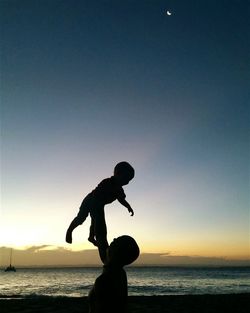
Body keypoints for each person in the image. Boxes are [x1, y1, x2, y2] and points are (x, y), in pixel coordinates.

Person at [66, 162, 135, 259]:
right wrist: (95, 212)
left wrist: (128, 206)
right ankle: (70, 230)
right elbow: (96, 196)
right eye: (126, 179)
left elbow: (121, 199)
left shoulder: (120, 190)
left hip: (99, 205)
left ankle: (92, 239)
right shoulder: (107, 182)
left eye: (129, 180)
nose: (127, 182)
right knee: (81, 219)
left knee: (98, 225)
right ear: (117, 174)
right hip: (90, 200)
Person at [88, 235, 140, 313]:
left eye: (117, 241)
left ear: (117, 251)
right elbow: (101, 238)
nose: (114, 239)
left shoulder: (103, 281)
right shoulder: (120, 273)